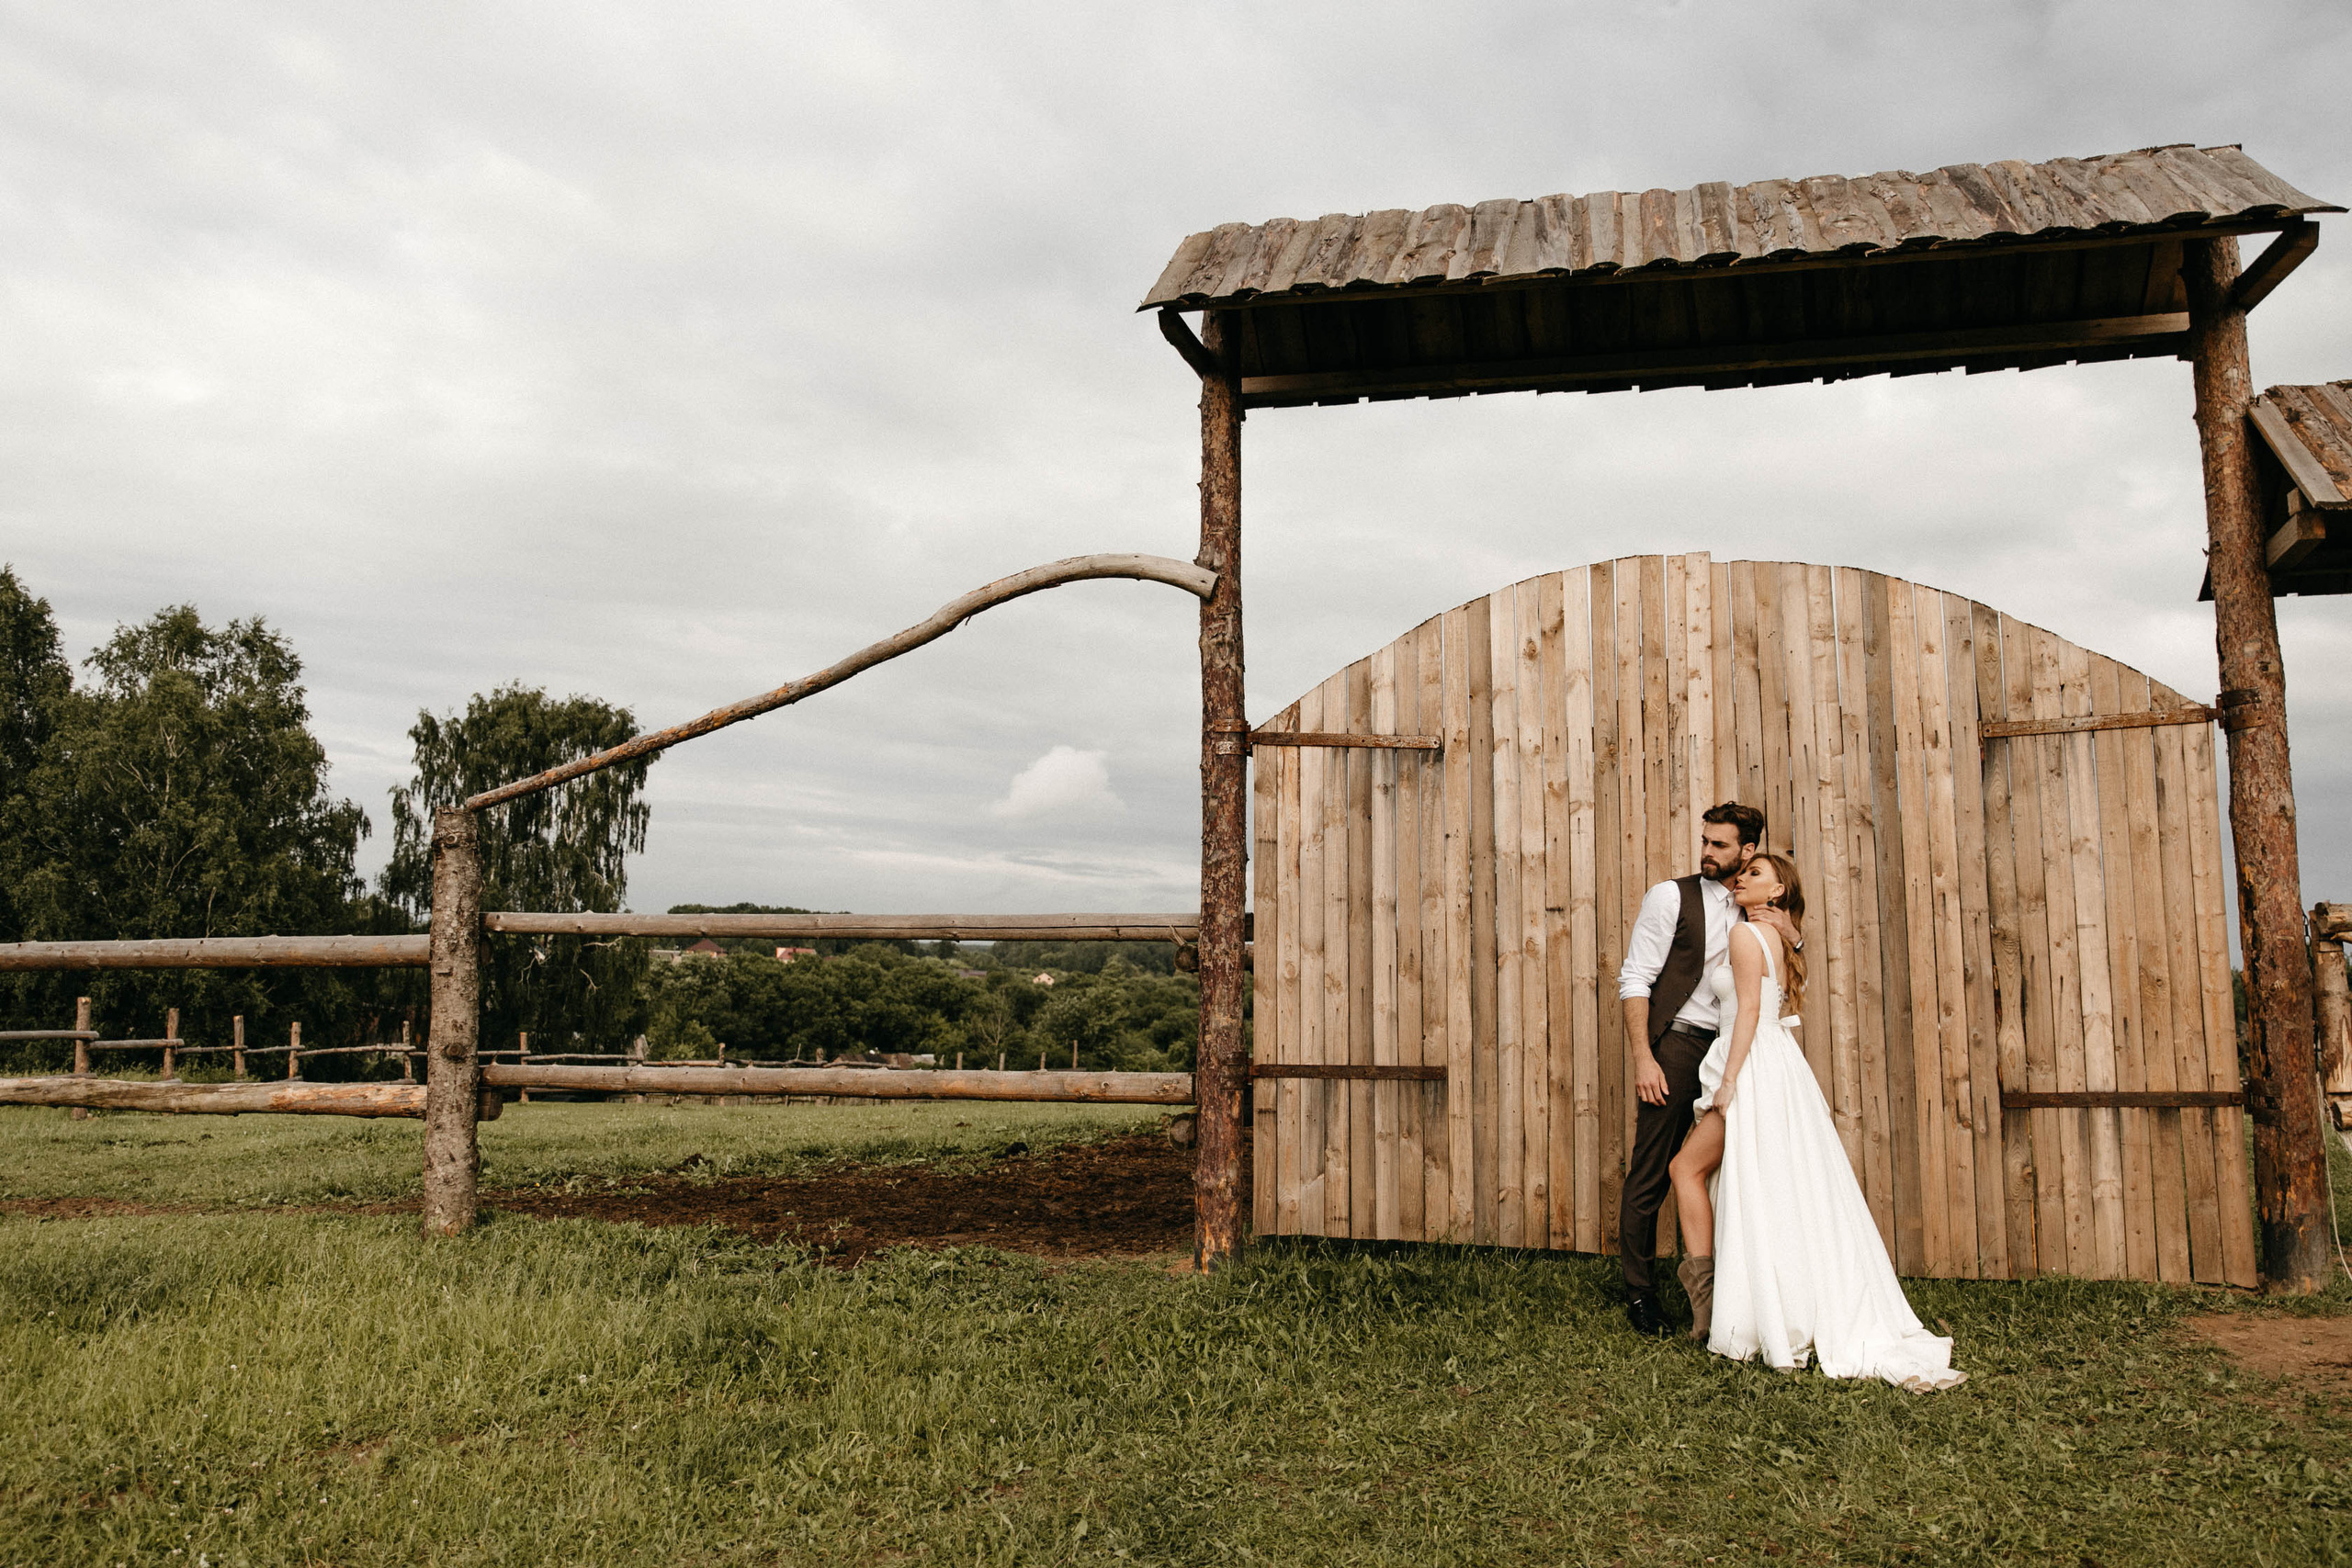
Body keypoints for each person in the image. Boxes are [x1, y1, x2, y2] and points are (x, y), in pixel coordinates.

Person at [1668, 852, 1966, 1393]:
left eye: (1755, 874)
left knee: (1686, 1169)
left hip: (1753, 1063)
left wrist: (1729, 1082)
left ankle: (1712, 1312)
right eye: (1744, 872)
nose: (1742, 878)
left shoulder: (1745, 938)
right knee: (1767, 1183)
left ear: (1777, 892)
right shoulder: (1778, 938)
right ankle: (1741, 1302)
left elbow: (1752, 1011)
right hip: (1775, 1062)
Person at [1615, 802, 1796, 1337]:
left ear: (1748, 851)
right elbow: (1635, 979)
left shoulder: (1756, 901)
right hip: (1678, 1047)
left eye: (1720, 845)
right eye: (1704, 842)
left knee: (1733, 1170)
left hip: (1738, 1055)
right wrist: (1645, 1057)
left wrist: (1793, 931)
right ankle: (1641, 1295)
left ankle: (1736, 1293)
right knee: (1654, 1168)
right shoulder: (1671, 896)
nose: (1707, 853)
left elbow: (1780, 969)